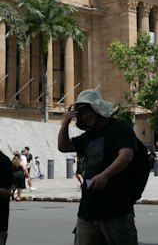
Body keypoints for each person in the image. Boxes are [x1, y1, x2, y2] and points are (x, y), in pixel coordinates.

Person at [58, 88, 138, 245]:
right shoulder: (89, 135)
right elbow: (64, 146)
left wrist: (105, 175)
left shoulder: (120, 128)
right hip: (88, 211)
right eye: (81, 114)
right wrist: (65, 124)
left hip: (116, 210)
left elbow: (126, 156)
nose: (84, 116)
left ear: (97, 108)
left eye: (87, 111)